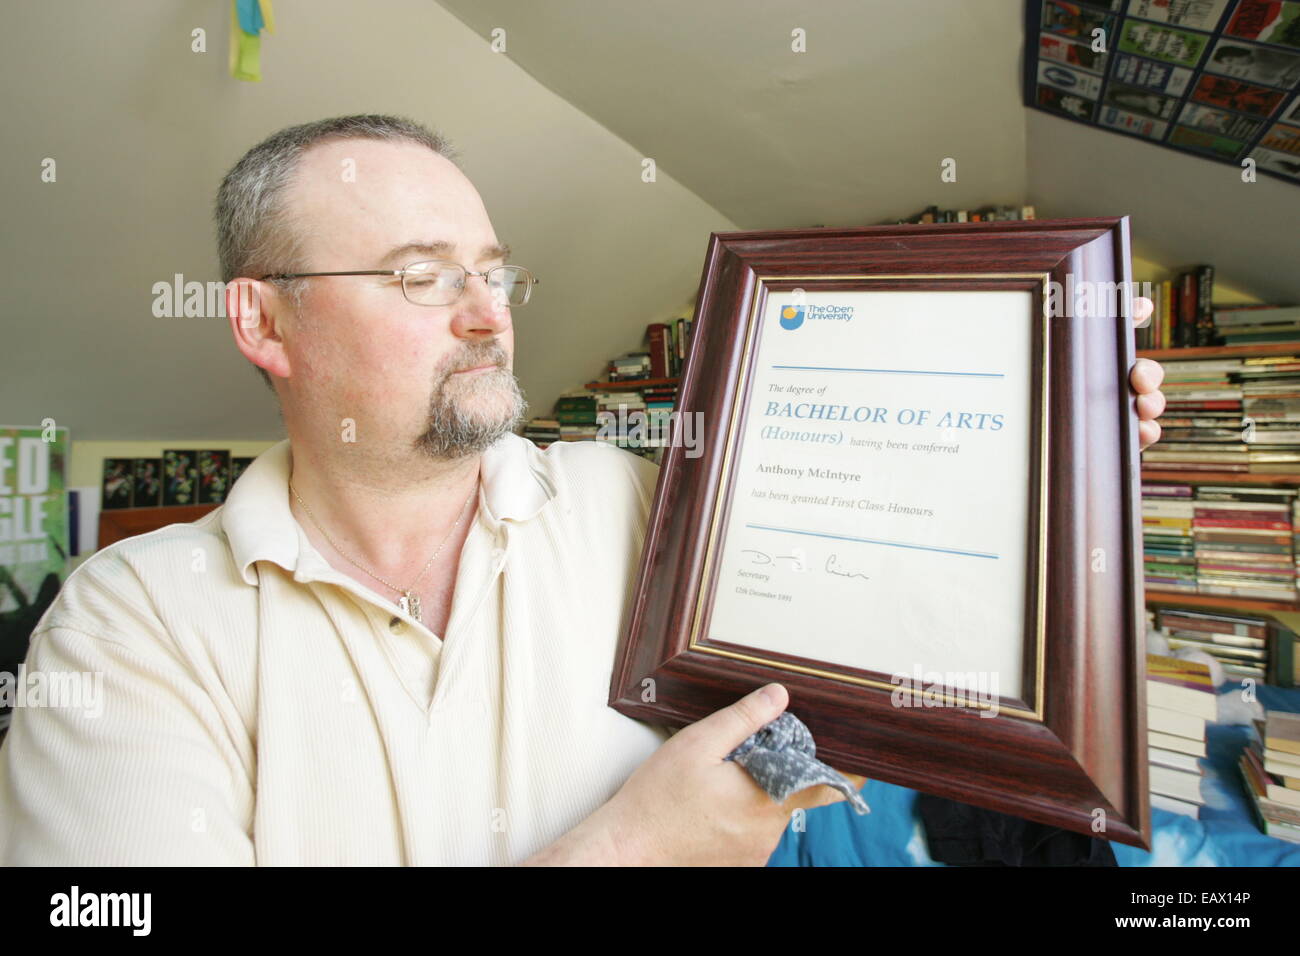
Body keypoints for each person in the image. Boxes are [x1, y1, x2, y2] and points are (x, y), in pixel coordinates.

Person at [0, 115, 1167, 865]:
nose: (487, 313)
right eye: (420, 276)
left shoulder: (637, 502)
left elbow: (893, 579)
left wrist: (1060, 455)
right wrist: (632, 851)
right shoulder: (124, 623)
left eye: (494, 272)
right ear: (263, 318)